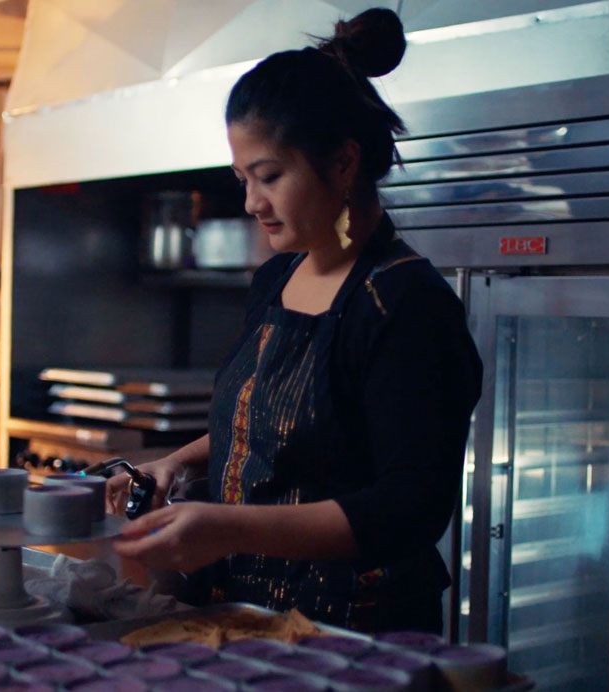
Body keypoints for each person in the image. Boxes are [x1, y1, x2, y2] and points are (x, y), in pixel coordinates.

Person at [108, 7, 483, 634]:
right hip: (246, 617)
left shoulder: (405, 305)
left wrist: (227, 527)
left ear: (343, 164)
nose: (252, 202)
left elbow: (408, 508)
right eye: (242, 179)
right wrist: (177, 464)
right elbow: (270, 425)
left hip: (356, 633)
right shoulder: (276, 280)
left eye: (270, 177)